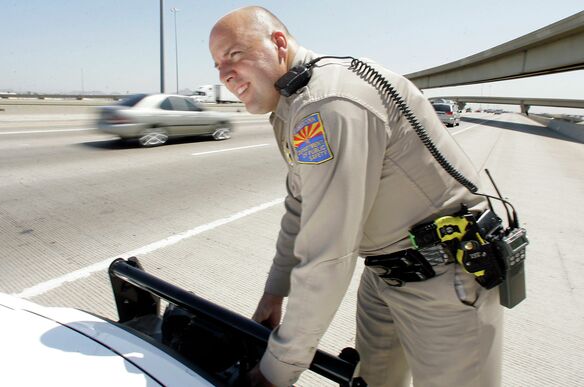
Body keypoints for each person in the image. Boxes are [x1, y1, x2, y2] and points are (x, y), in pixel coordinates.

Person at [209, 6, 503, 387]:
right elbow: (299, 209)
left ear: (278, 43)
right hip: (386, 274)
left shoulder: (326, 103)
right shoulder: (292, 104)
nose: (225, 74)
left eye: (235, 55)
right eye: (217, 65)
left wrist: (276, 372)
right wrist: (274, 292)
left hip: (447, 280)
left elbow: (328, 253)